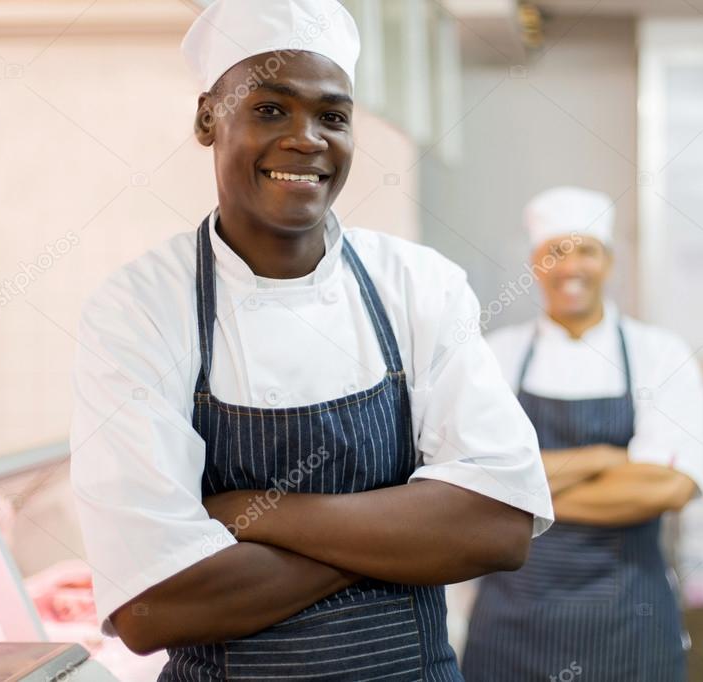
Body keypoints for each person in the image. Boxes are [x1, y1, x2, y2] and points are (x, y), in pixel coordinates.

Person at [68, 1, 553, 679]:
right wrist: (404, 538)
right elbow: (152, 608)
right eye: (270, 109)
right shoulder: (140, 308)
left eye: (332, 116)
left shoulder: (419, 285)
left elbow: (497, 528)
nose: (307, 139)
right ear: (209, 117)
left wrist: (251, 514)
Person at [461, 186, 703, 681]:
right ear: (535, 263)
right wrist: (603, 456)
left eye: (586, 250)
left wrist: (520, 498)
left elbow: (670, 485)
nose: (570, 267)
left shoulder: (659, 354)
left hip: (629, 615)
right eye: (554, 251)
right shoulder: (495, 356)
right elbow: (469, 481)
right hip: (513, 621)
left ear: (608, 263)